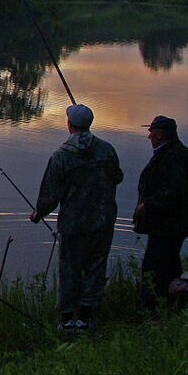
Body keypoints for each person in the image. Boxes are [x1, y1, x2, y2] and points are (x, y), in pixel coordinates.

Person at [30, 104, 124, 331]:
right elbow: (118, 177)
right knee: (95, 269)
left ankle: (67, 320)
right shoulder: (107, 150)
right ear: (89, 124)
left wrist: (38, 214)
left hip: (74, 224)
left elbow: (50, 194)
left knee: (70, 270)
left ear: (69, 124)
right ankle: (85, 317)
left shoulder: (61, 156)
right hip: (103, 221)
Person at [134, 115, 188, 309]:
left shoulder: (172, 158)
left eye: (152, 133)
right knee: (170, 264)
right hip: (174, 223)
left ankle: (151, 308)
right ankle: (174, 302)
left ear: (160, 134)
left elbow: (173, 192)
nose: (149, 137)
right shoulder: (174, 155)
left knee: (153, 267)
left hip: (168, 224)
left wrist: (147, 204)